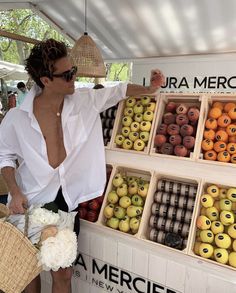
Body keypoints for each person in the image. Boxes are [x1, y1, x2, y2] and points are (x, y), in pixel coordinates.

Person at [0, 38, 165, 293]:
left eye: (74, 70)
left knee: (63, 275)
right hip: (29, 200)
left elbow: (120, 90)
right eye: (67, 75)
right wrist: (15, 191)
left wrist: (151, 89)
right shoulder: (16, 118)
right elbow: (4, 157)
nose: (74, 77)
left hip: (66, 201)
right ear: (46, 81)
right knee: (28, 275)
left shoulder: (85, 100)